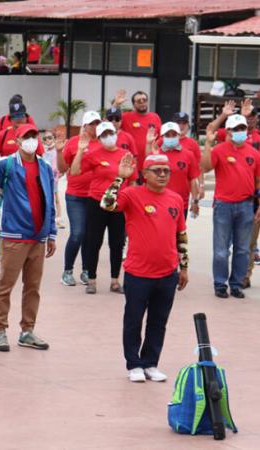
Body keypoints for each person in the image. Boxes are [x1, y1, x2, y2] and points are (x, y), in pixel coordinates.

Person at [100, 153, 189, 382]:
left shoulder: (175, 199)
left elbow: (181, 234)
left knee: (158, 322)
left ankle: (150, 363)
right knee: (133, 320)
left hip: (167, 272)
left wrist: (184, 267)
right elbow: (106, 203)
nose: (162, 175)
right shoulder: (132, 194)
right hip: (138, 272)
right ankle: (134, 364)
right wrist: (120, 178)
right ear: (144, 175)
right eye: (156, 170)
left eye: (166, 171)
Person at [0, 125, 56, 352]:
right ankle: (0, 330)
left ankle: (27, 331)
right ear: (17, 141)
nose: (30, 140)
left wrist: (52, 233)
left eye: (33, 136)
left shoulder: (45, 167)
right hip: (14, 237)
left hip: (38, 238)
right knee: (5, 286)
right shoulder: (6, 164)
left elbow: (50, 201)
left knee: (33, 288)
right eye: (25, 137)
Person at [70, 122, 137, 295]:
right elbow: (75, 171)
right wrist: (80, 150)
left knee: (117, 243)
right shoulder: (94, 154)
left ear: (116, 134)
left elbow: (133, 180)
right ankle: (91, 279)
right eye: (104, 134)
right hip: (96, 203)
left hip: (119, 204)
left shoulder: (125, 155)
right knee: (94, 242)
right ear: (99, 138)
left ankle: (115, 281)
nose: (109, 137)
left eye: (111, 133)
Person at [201, 114, 260, 299]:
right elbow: (205, 167)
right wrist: (208, 145)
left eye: (242, 128)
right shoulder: (220, 150)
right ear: (228, 131)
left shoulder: (254, 153)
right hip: (223, 206)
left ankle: (236, 284)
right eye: (236, 129)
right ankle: (220, 283)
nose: (240, 132)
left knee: (243, 249)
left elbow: (258, 181)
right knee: (221, 250)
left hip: (246, 205)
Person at [57, 111, 100, 287]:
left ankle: (86, 270)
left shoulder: (103, 143)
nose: (95, 127)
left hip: (95, 196)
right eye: (92, 124)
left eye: (97, 123)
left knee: (90, 236)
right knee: (77, 233)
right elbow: (62, 168)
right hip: (75, 196)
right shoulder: (74, 143)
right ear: (85, 125)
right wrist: (59, 151)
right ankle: (67, 271)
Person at [145, 122, 200, 218]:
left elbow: (193, 180)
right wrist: (149, 144)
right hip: (158, 202)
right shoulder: (156, 153)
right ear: (162, 137)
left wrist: (195, 201)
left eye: (174, 134)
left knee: (179, 232)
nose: (171, 137)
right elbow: (147, 168)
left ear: (179, 135)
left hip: (181, 204)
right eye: (167, 135)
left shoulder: (188, 155)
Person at [113, 90, 162, 173]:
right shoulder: (126, 117)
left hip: (150, 164)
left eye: (144, 100)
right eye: (139, 101)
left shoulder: (155, 117)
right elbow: (110, 121)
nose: (142, 102)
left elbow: (160, 138)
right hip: (131, 164)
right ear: (134, 104)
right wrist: (116, 104)